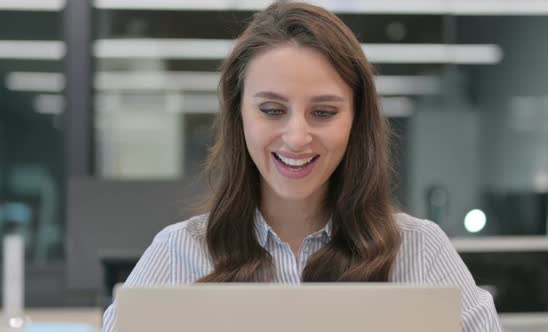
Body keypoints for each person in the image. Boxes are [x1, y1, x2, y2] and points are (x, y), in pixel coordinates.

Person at [102, 1, 501, 331]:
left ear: (355, 120)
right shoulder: (178, 253)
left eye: (323, 112)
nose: (296, 137)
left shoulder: (420, 251)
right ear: (239, 116)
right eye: (272, 110)